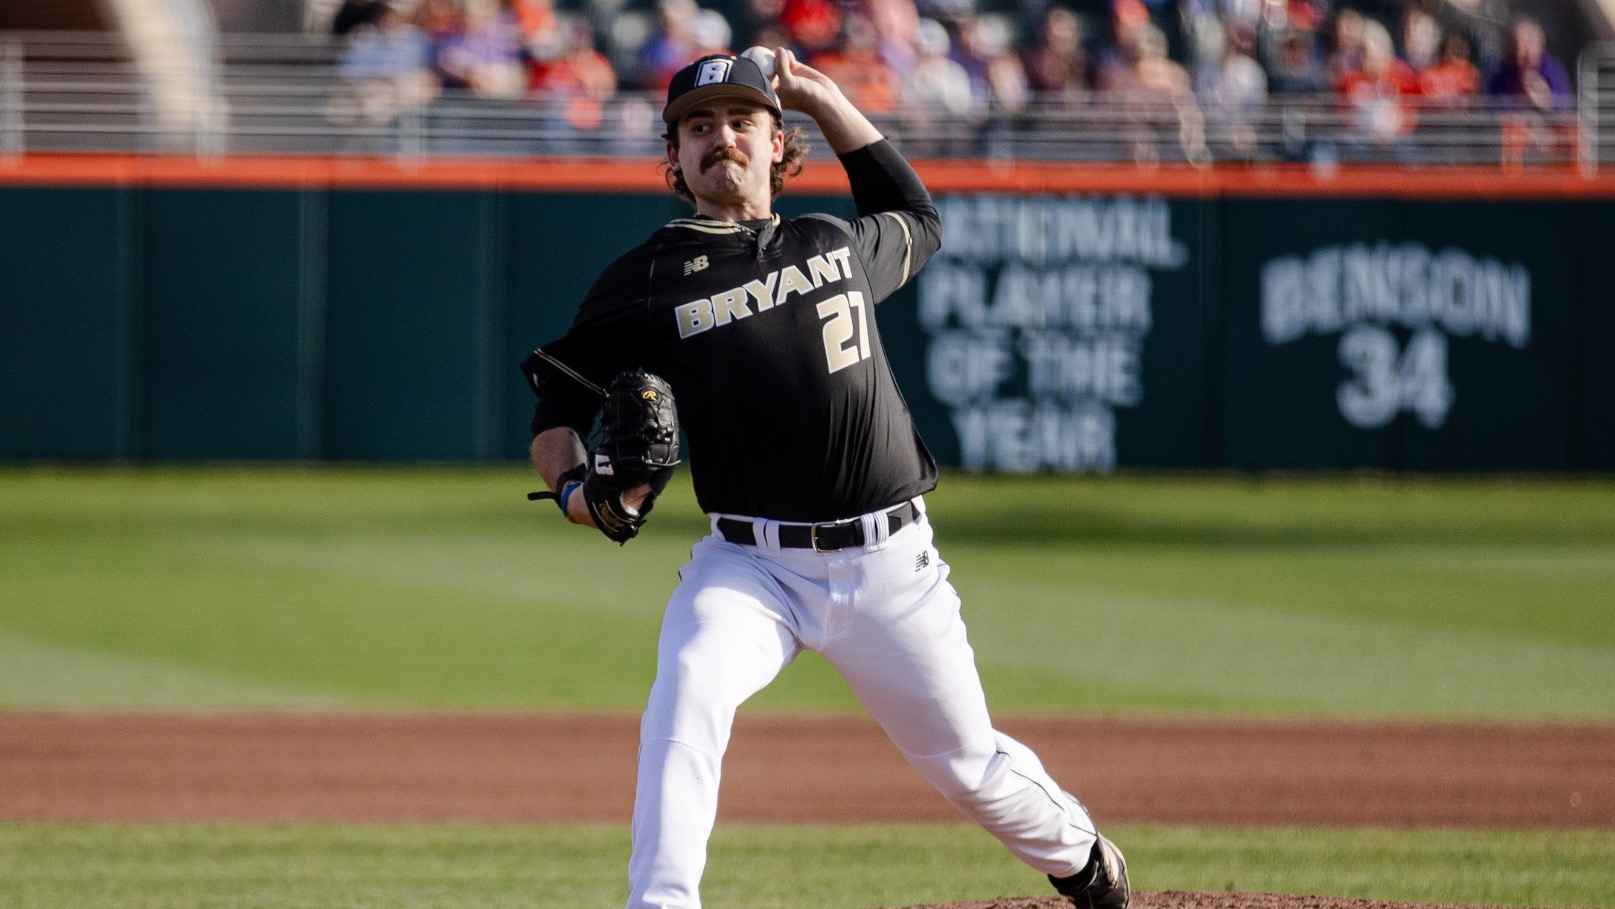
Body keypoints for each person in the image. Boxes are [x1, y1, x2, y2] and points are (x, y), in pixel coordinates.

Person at [520, 47, 1131, 909]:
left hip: (890, 566)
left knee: (964, 765)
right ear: (673, 157)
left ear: (779, 144)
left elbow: (915, 214)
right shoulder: (646, 281)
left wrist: (825, 96)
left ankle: (1082, 856)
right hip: (750, 564)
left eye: (741, 121)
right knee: (688, 687)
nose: (719, 138)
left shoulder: (831, 243)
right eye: (697, 127)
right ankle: (661, 901)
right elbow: (556, 405)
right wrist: (581, 495)